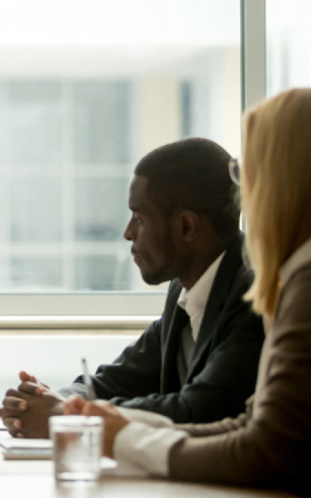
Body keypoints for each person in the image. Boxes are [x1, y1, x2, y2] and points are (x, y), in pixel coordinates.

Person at [67, 88, 311, 496]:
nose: (243, 193)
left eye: (248, 172)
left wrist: (117, 434)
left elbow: (265, 447)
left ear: (283, 183)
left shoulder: (301, 282)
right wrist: (95, 418)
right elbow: (251, 426)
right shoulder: (288, 279)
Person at [0, 138, 264, 439]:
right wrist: (48, 403)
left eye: (139, 217)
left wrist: (69, 417)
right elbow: (108, 383)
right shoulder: (185, 291)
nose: (128, 233)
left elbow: (202, 410)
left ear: (186, 227)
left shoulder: (253, 296)